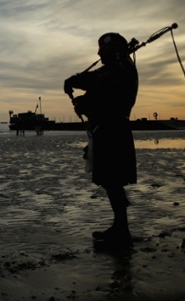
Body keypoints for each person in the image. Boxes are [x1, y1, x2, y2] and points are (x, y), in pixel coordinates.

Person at [63, 32, 138, 246]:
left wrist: (84, 102)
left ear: (112, 50)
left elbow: (105, 92)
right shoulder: (114, 67)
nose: (98, 53)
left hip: (113, 128)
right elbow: (93, 79)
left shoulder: (122, 69)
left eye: (102, 49)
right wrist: (73, 80)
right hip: (107, 129)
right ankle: (120, 227)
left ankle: (122, 231)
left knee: (112, 179)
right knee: (109, 179)